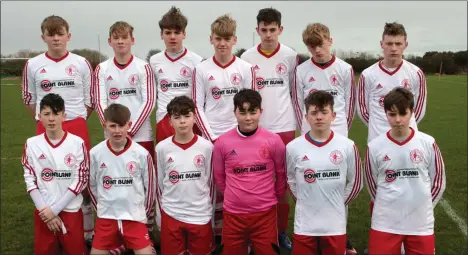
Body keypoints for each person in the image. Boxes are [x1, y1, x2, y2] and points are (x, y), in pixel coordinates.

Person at [21, 14, 95, 244]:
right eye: (50, 34)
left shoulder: (81, 63)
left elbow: (90, 100)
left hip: (75, 124)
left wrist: (71, 119)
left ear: (68, 36)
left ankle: (87, 229)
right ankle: (51, 223)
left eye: (59, 33)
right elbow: (28, 99)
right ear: (43, 37)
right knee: (48, 178)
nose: (55, 39)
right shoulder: (32, 65)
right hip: (45, 126)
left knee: (82, 179)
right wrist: (47, 119)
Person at [292, 22, 358, 254]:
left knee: (337, 184)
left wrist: (340, 133)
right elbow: (297, 103)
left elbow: (350, 107)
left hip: (337, 133)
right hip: (308, 133)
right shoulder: (301, 71)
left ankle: (342, 234)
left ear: (330, 40)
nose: (317, 51)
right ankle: (311, 231)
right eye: (311, 47)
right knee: (311, 181)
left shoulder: (345, 69)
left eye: (320, 45)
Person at [192, 14, 256, 246]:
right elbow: (197, 105)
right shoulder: (201, 69)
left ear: (234, 40)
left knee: (241, 187)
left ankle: (244, 238)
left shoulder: (246, 68)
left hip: (240, 138)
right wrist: (213, 138)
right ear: (211, 39)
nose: (222, 43)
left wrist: (243, 134)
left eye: (227, 38)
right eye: (218, 38)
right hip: (211, 138)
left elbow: (253, 104)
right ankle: (213, 236)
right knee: (211, 187)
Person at [240, 8, 297, 249]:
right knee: (255, 179)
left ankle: (281, 231)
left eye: (273, 30)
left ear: (280, 30)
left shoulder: (290, 56)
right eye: (264, 30)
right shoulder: (247, 57)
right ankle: (254, 234)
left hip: (284, 126)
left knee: (281, 183)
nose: (268, 35)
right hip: (257, 127)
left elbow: (295, 91)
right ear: (257, 30)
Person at [364, 87, 445, 255]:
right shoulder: (375, 147)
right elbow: (372, 184)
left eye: (403, 114)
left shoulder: (428, 143)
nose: (398, 120)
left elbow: (438, 182)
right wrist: (387, 204)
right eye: (392, 115)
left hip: (420, 223)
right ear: (385, 114)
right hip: (385, 222)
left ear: (412, 112)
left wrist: (423, 206)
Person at [286, 91, 363, 255]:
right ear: (306, 117)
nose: (319, 117)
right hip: (304, 224)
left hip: (334, 223)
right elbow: (290, 179)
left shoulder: (348, 146)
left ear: (333, 115)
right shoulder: (293, 147)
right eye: (314, 113)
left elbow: (356, 182)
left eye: (324, 112)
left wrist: (337, 202)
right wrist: (303, 199)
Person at [213, 89, 286, 255]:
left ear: (261, 112)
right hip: (233, 214)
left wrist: (271, 198)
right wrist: (235, 197)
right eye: (243, 112)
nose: (248, 118)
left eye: (253, 112)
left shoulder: (274, 141)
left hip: (265, 214)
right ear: (235, 113)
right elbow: (219, 178)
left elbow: (281, 175)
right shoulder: (222, 142)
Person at [21, 93, 89, 255]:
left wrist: (55, 210)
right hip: (43, 210)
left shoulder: (77, 143)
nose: (51, 119)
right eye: (46, 114)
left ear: (64, 116)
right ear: (39, 117)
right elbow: (30, 180)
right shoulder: (31, 144)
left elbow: (81, 180)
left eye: (56, 113)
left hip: (70, 210)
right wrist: (47, 212)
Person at [88, 103, 156, 255]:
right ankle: (120, 245)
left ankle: (129, 244)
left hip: (134, 218)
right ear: (105, 125)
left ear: (129, 125)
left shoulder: (142, 154)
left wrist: (141, 212)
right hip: (107, 217)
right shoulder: (95, 154)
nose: (117, 131)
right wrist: (101, 208)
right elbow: (91, 186)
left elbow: (150, 189)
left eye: (121, 125)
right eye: (113, 126)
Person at [155, 95, 215, 255]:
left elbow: (210, 182)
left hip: (200, 213)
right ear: (170, 121)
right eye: (177, 117)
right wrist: (161, 215)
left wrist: (210, 210)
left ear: (195, 118)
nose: (182, 121)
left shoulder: (206, 147)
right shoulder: (162, 148)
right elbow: (160, 184)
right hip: (172, 213)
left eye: (187, 116)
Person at [356, 22, 427, 144]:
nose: (393, 48)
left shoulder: (416, 73)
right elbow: (363, 111)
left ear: (405, 45)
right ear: (381, 44)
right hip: (378, 139)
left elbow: (419, 110)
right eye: (389, 43)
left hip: (408, 139)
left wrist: (403, 126)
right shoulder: (367, 75)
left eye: (398, 43)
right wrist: (379, 125)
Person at [150, 6, 204, 144]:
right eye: (168, 32)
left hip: (189, 120)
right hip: (164, 119)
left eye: (177, 32)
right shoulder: (154, 60)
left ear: (184, 34)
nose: (172, 37)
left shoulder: (196, 60)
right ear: (161, 34)